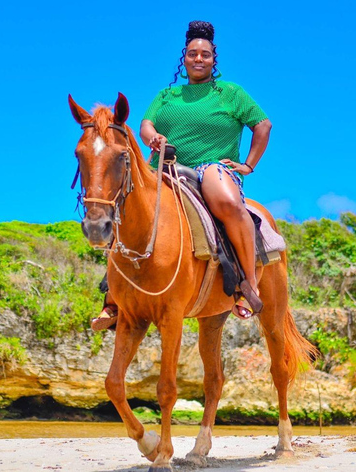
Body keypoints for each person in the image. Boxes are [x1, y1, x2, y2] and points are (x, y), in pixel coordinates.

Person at [91, 20, 272, 331]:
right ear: (184, 58)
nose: (198, 59)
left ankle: (248, 285)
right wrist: (152, 139)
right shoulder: (167, 95)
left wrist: (249, 164)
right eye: (192, 54)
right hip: (165, 166)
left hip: (210, 165)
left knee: (227, 202)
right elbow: (146, 125)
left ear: (214, 59)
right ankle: (113, 298)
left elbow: (263, 125)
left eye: (204, 55)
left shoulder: (231, 93)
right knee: (125, 207)